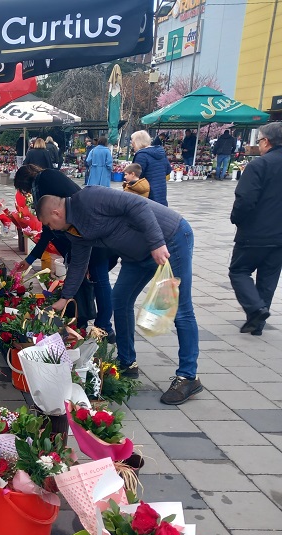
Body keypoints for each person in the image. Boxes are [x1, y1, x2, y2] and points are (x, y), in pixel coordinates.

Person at [36, 187, 202, 405]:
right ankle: (127, 363)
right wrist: (64, 298)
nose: (50, 228)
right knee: (120, 301)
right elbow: (78, 262)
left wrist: (156, 243)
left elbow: (137, 205)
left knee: (181, 309)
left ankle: (188, 377)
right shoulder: (73, 229)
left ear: (56, 213)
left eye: (48, 223)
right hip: (137, 255)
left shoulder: (88, 198)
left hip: (170, 238)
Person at [13, 165, 115, 339]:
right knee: (87, 280)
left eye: (25, 190)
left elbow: (52, 225)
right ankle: (83, 320)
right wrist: (30, 259)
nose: (28, 194)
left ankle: (104, 327)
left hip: (91, 236)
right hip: (83, 236)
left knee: (99, 279)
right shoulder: (46, 183)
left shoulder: (45, 181)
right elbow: (48, 231)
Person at [228, 122, 282, 336]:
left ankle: (256, 310)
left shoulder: (259, 165)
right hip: (279, 236)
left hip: (255, 233)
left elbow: (245, 199)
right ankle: (257, 323)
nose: (258, 144)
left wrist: (236, 219)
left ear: (267, 141)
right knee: (268, 278)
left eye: (259, 140)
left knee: (239, 271)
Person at [131, 130, 172, 206]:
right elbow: (168, 170)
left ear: (137, 142)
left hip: (146, 192)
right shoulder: (161, 152)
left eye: (133, 142)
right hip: (161, 190)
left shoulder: (141, 155)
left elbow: (136, 176)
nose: (132, 145)